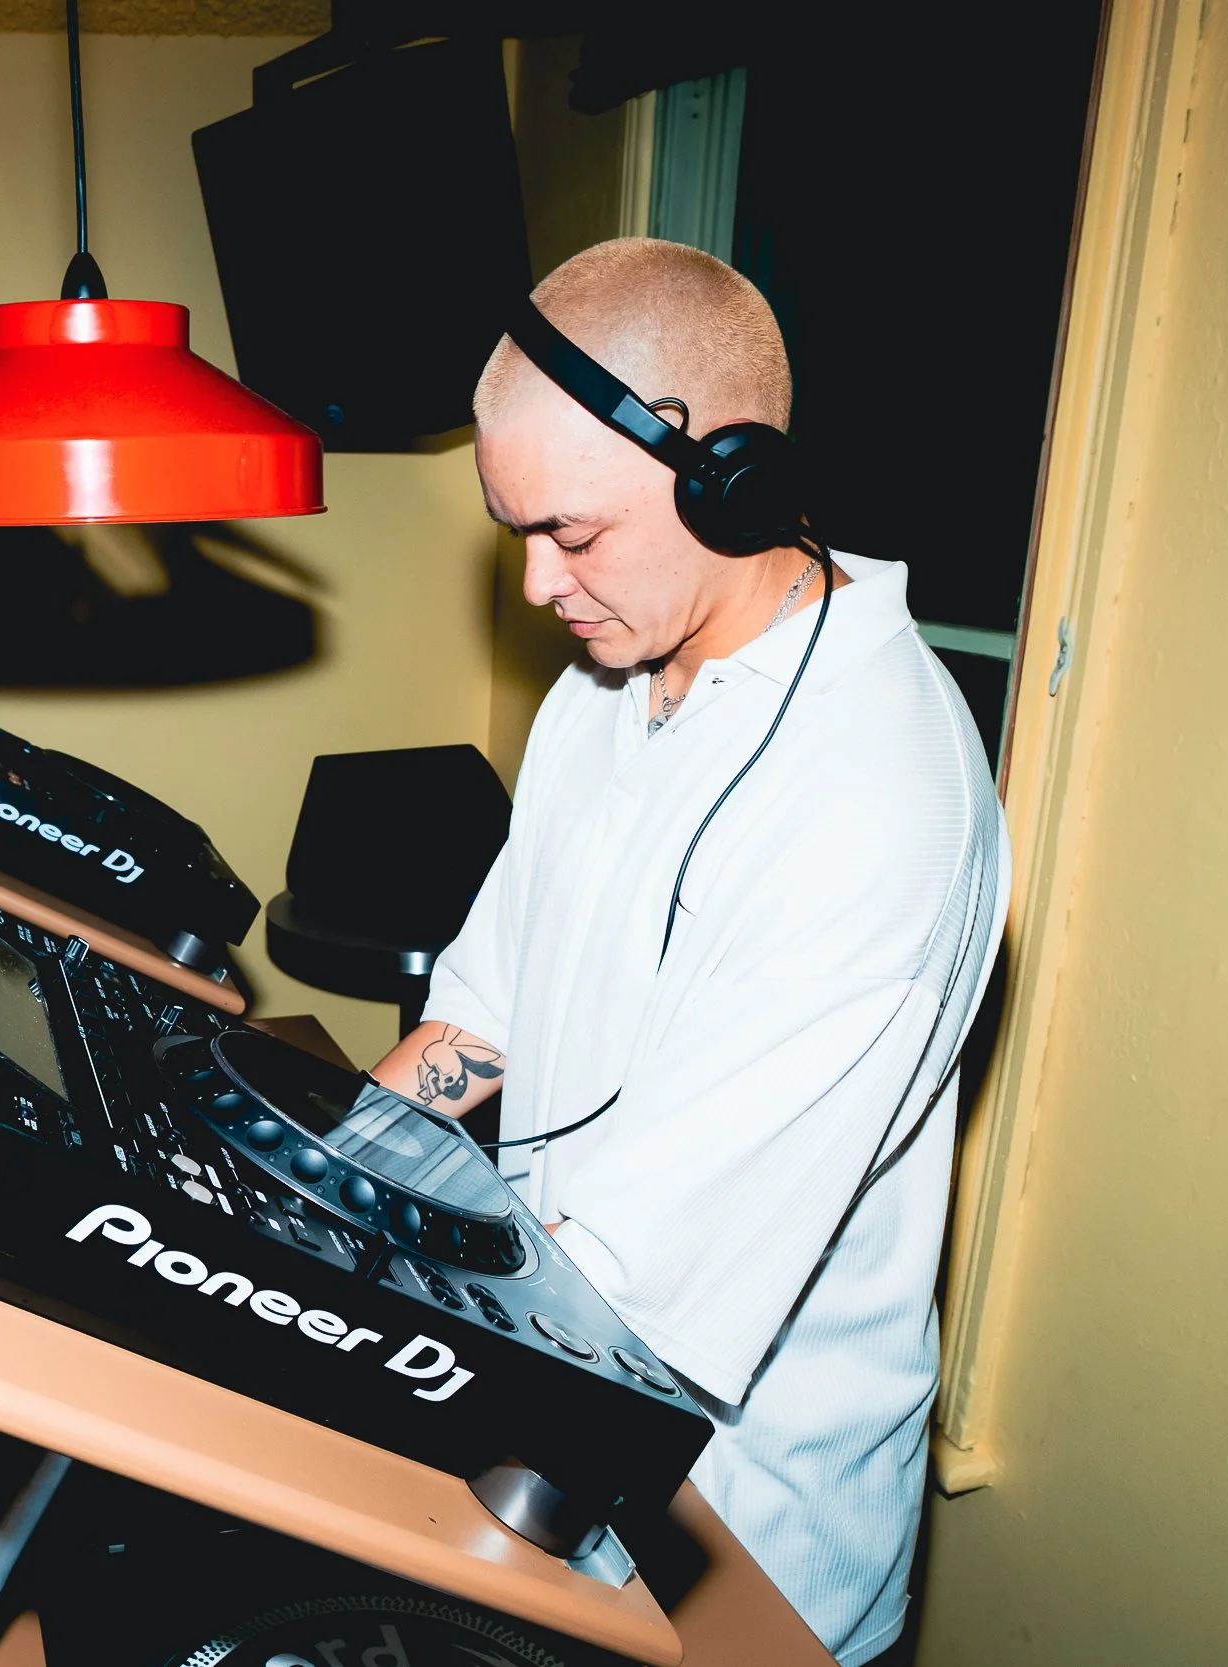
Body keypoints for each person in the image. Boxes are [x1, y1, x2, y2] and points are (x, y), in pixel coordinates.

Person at [373, 237, 1009, 1666]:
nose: (536, 586)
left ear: (732, 480)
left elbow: (625, 1290)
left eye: (574, 534)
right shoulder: (604, 690)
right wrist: (302, 1175)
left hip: (738, 1564)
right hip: (553, 1439)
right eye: (514, 531)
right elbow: (483, 1014)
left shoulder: (878, 797)